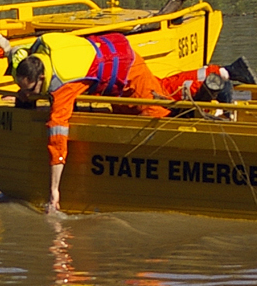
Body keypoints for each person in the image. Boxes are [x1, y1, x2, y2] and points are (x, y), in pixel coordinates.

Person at [9, 32, 171, 211]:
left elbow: (57, 138)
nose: (27, 95)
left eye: (30, 90)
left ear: (41, 77)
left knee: (158, 113)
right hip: (107, 56)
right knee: (124, 114)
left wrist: (54, 189)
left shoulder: (63, 86)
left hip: (128, 66)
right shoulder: (38, 48)